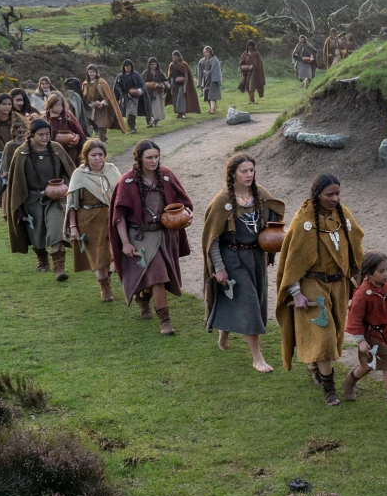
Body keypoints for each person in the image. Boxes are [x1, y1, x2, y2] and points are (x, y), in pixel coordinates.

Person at [275, 174, 364, 405]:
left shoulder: (342, 214)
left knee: (334, 336)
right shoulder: (303, 219)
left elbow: (355, 247)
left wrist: (361, 279)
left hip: (339, 284)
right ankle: (329, 388)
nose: (335, 198)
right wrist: (295, 292)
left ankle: (314, 365)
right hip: (312, 284)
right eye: (329, 194)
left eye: (337, 193)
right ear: (317, 195)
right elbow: (292, 260)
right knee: (323, 338)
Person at [201, 154, 285, 373]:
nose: (249, 175)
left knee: (255, 300)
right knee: (249, 304)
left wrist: (271, 240)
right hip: (232, 257)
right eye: (244, 171)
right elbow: (213, 239)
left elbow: (275, 217)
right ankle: (257, 358)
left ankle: (224, 329)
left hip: (256, 257)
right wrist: (219, 267)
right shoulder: (222, 201)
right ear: (233, 174)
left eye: (252, 170)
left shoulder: (260, 195)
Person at [109, 140, 193, 335]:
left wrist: (187, 215)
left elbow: (184, 202)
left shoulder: (166, 175)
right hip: (140, 236)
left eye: (156, 157)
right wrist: (125, 243)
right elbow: (118, 216)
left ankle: (143, 298)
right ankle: (165, 322)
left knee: (156, 277)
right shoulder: (127, 181)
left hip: (164, 236)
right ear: (139, 158)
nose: (154, 161)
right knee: (157, 276)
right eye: (149, 157)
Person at [343, 252, 387, 417]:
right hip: (372, 337)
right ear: (369, 272)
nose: (386, 274)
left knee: (367, 367)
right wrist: (361, 341)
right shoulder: (362, 295)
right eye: (381, 271)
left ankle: (349, 381)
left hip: (386, 333)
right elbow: (355, 319)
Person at [5, 118, 76, 279]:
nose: (45, 138)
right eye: (41, 135)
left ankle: (59, 268)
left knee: (56, 228)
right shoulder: (21, 153)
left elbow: (69, 170)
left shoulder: (56, 148)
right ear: (32, 135)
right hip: (32, 200)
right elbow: (16, 183)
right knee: (36, 233)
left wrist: (64, 185)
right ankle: (42, 259)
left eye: (47, 134)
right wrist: (19, 205)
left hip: (55, 199)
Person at [66, 139, 121, 302]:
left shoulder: (111, 169)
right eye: (93, 155)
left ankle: (107, 280)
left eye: (100, 155)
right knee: (98, 255)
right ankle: (105, 288)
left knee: (111, 253)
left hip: (110, 217)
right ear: (86, 156)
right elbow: (72, 203)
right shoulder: (79, 174)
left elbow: (121, 193)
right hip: (88, 220)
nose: (97, 158)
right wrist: (73, 226)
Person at [81, 64, 126, 143]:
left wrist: (103, 102)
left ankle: (102, 139)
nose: (92, 73)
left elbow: (108, 95)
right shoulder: (85, 83)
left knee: (102, 125)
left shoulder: (102, 82)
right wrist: (91, 103)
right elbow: (84, 97)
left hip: (102, 108)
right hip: (91, 107)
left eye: (93, 72)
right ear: (87, 72)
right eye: (90, 72)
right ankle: (101, 138)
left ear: (96, 72)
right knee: (94, 124)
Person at [44, 92, 87, 163]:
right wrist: (53, 118)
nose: (60, 107)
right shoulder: (45, 118)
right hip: (52, 153)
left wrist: (77, 137)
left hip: (70, 152)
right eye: (57, 105)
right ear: (50, 105)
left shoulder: (68, 115)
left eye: (61, 105)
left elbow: (79, 131)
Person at [114, 60, 150, 133]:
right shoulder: (120, 76)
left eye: (129, 66)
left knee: (131, 112)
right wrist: (117, 97)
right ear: (124, 67)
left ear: (131, 66)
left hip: (135, 96)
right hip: (125, 97)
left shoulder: (136, 75)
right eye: (126, 66)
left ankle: (132, 128)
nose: (127, 68)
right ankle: (131, 127)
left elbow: (143, 85)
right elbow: (116, 87)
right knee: (127, 113)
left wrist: (140, 90)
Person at [168, 50, 198, 119]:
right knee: (175, 98)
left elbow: (186, 75)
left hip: (182, 84)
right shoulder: (171, 65)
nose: (174, 59)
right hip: (175, 84)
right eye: (173, 57)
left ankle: (182, 113)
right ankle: (179, 113)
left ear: (179, 57)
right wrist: (170, 83)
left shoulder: (183, 64)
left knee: (181, 98)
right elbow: (170, 75)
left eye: (175, 57)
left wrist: (185, 84)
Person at [141, 57, 168, 127]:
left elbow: (164, 80)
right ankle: (150, 122)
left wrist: (163, 85)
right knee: (149, 108)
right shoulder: (146, 73)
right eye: (152, 64)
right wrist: (149, 85)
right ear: (149, 65)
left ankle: (155, 120)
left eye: (154, 64)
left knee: (156, 107)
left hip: (157, 93)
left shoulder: (159, 72)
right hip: (148, 93)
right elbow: (142, 82)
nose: (153, 66)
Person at [197, 45, 222, 115]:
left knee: (212, 95)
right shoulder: (202, 61)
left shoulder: (215, 60)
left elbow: (217, 71)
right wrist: (199, 81)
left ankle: (213, 109)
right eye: (205, 52)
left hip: (213, 79)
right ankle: (212, 107)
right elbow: (200, 71)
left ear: (210, 52)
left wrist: (217, 80)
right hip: (205, 79)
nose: (206, 54)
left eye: (207, 52)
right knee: (206, 94)